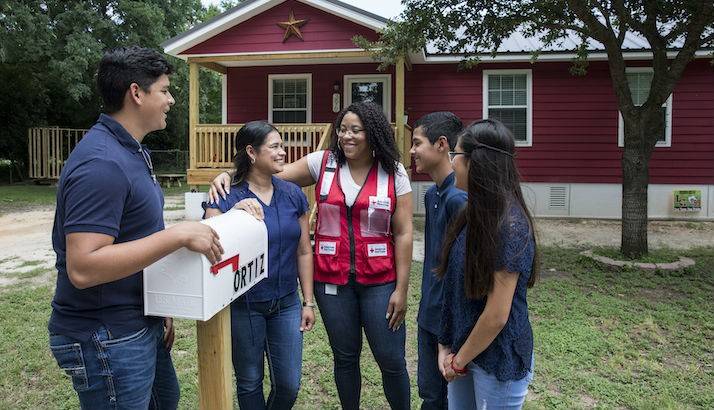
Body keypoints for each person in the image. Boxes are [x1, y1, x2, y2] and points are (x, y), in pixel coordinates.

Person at [48, 46, 223, 409]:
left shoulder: (130, 151)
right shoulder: (102, 163)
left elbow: (135, 237)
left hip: (138, 323)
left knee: (167, 400)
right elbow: (83, 267)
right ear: (136, 93)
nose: (171, 100)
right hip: (105, 336)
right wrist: (176, 234)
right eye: (164, 90)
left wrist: (160, 305)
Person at [209, 101, 413, 409]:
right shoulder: (323, 162)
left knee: (391, 359)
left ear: (372, 133)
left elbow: (404, 232)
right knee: (345, 357)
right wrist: (227, 173)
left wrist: (402, 288)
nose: (347, 136)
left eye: (356, 130)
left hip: (380, 281)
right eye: (342, 129)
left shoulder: (393, 172)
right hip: (332, 283)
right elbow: (268, 172)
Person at [203, 120, 315, 410]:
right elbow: (209, 249)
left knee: (289, 384)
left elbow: (304, 251)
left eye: (282, 146)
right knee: (249, 381)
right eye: (275, 147)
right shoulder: (226, 195)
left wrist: (308, 302)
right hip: (244, 305)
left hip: (287, 304)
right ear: (251, 152)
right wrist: (233, 216)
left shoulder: (293, 194)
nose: (283, 152)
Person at [436, 119, 538, 409]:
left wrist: (457, 361)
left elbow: (496, 315)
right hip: (465, 352)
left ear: (475, 162)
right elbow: (454, 287)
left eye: (455, 155)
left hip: (498, 359)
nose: (451, 162)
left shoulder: (511, 226)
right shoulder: (473, 213)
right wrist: (446, 345)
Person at [409, 112, 466, 410]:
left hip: (451, 322)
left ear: (442, 144)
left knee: (451, 399)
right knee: (431, 396)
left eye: (417, 143)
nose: (411, 150)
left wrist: (449, 330)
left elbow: (464, 273)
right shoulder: (433, 194)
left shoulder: (460, 199)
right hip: (428, 316)